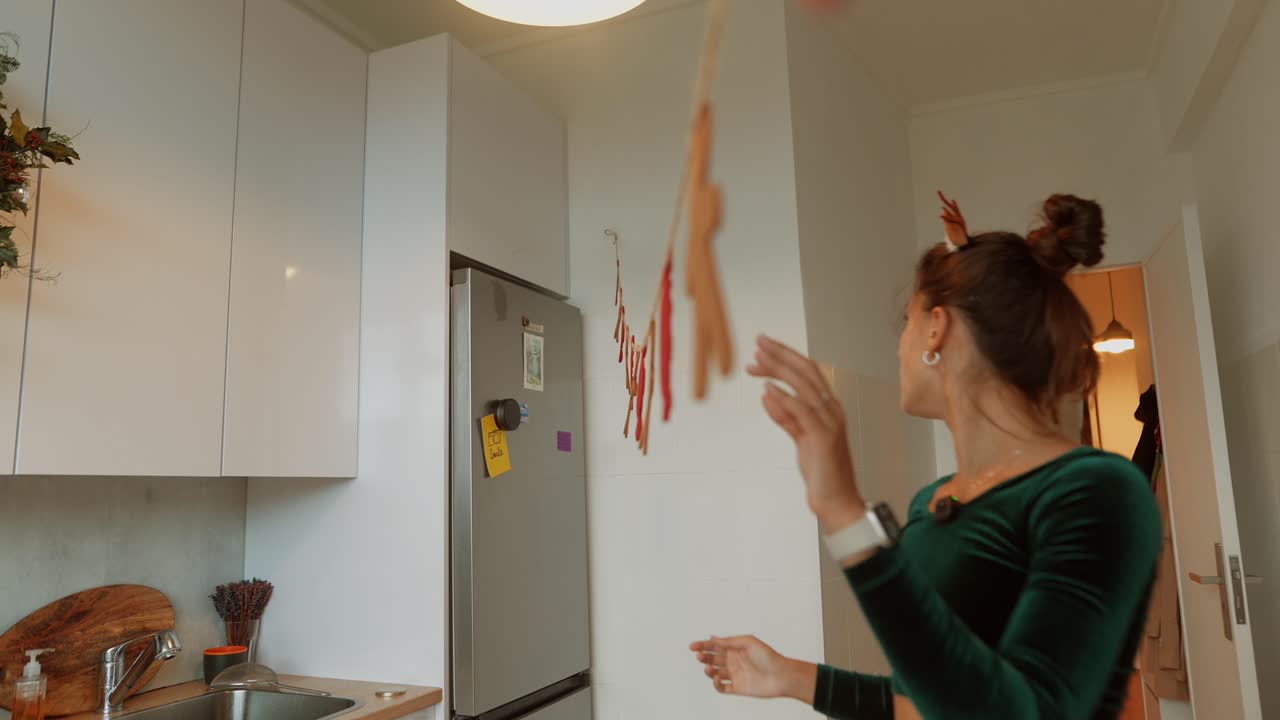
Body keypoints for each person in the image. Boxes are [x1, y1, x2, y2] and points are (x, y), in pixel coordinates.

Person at [690, 193, 1161, 720]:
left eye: (907, 321)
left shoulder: (1097, 491)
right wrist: (793, 678)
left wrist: (846, 515)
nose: (900, 347)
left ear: (937, 327)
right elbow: (930, 703)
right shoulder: (930, 503)